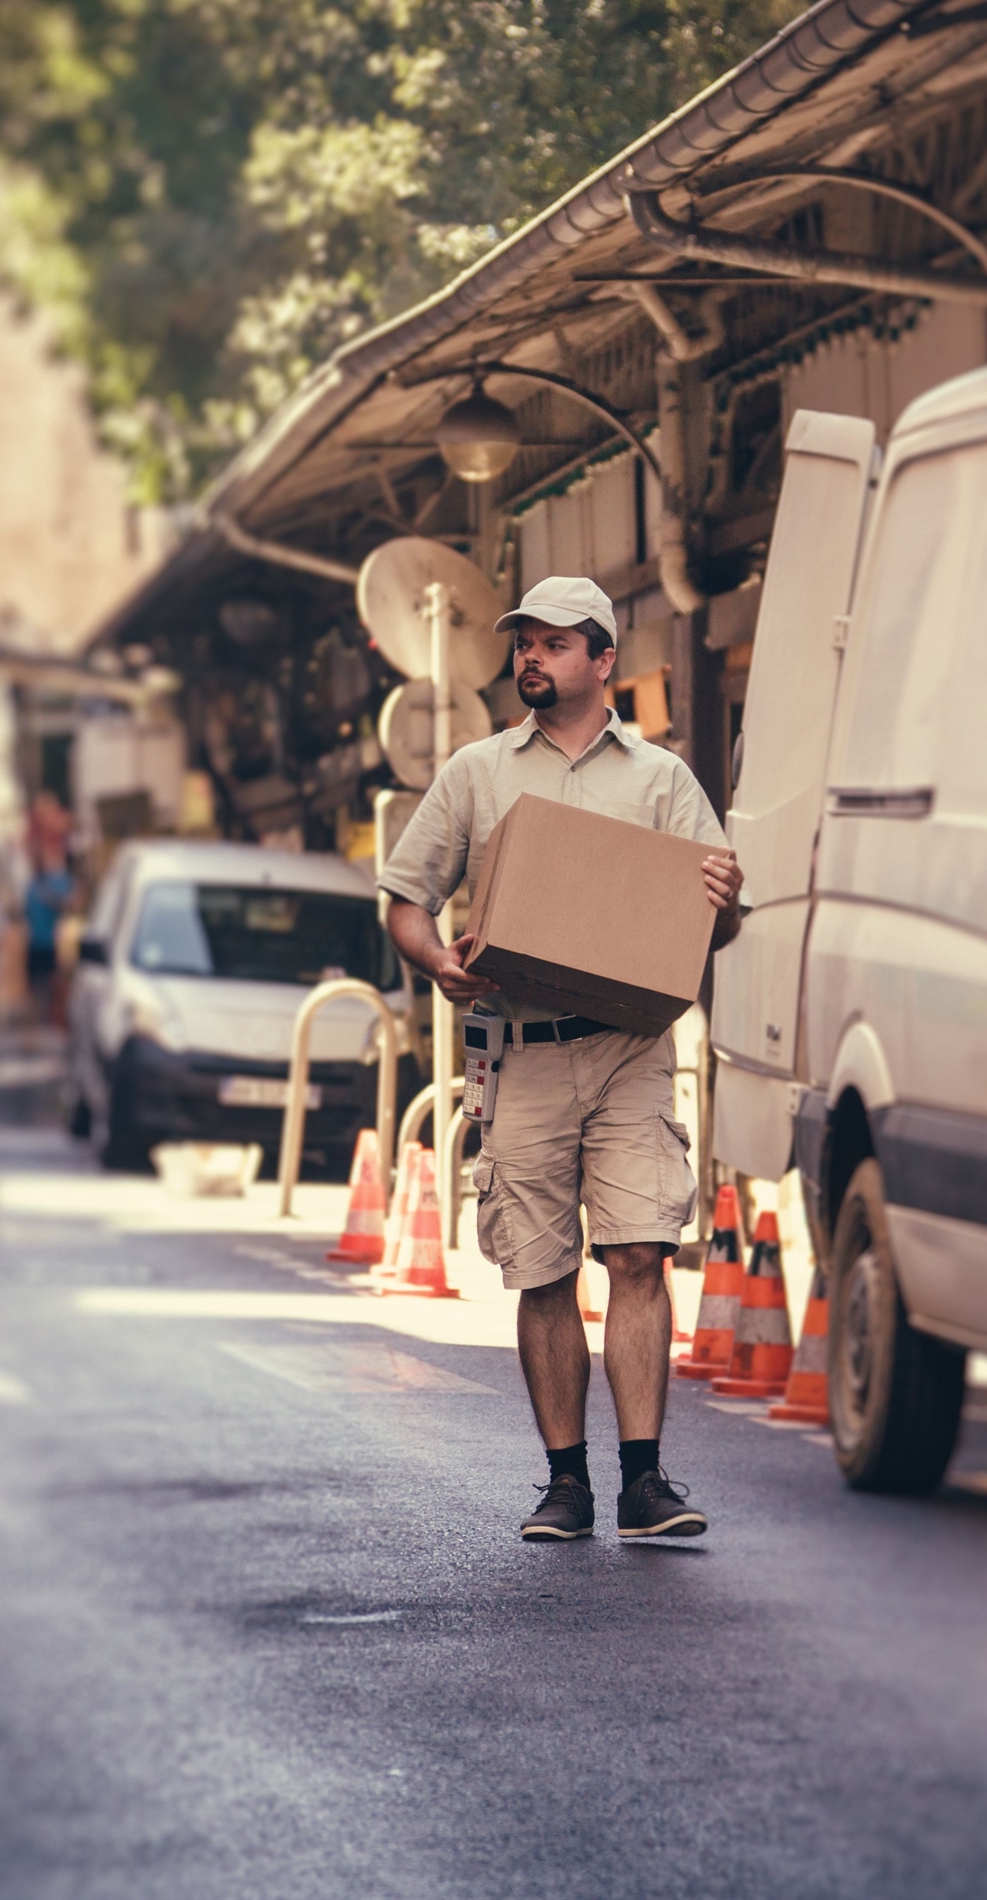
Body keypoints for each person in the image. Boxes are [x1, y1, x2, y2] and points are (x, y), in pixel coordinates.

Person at [380, 576, 745, 1544]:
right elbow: (406, 899)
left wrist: (726, 893)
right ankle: (565, 1481)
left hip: (628, 1048)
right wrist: (439, 962)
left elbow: (716, 919)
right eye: (524, 643)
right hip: (526, 1050)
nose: (530, 659)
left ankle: (643, 1478)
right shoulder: (477, 771)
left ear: (602, 660)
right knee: (541, 1269)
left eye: (551, 643)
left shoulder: (661, 779)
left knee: (636, 1250)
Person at [23, 849, 74, 1028]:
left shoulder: (58, 884)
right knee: (34, 991)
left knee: (57, 985)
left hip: (54, 944)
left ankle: (57, 1022)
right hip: (35, 943)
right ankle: (33, 1029)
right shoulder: (30, 888)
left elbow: (68, 906)